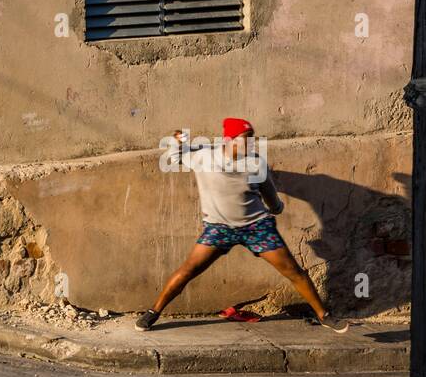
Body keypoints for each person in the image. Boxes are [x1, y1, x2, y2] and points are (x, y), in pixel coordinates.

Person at [135, 117, 349, 333]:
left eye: (251, 139)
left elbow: (270, 197)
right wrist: (177, 140)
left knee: (293, 271)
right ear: (229, 140)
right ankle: (153, 312)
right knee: (188, 270)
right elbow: (174, 157)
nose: (249, 143)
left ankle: (324, 315)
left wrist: (277, 208)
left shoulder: (256, 163)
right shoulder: (203, 157)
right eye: (244, 139)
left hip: (256, 228)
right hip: (219, 228)